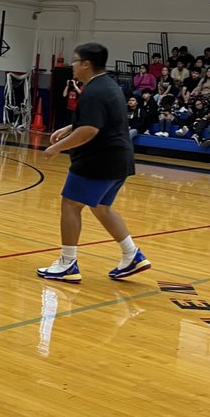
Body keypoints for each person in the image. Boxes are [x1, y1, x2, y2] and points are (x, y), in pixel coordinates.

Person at [38, 41, 149, 283]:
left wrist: (56, 147)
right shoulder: (108, 85)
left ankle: (67, 264)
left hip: (99, 159)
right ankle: (132, 255)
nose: (72, 66)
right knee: (100, 207)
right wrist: (69, 128)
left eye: (75, 61)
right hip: (119, 158)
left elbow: (89, 130)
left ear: (86, 64)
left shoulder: (93, 91)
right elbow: (99, 119)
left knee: (70, 204)